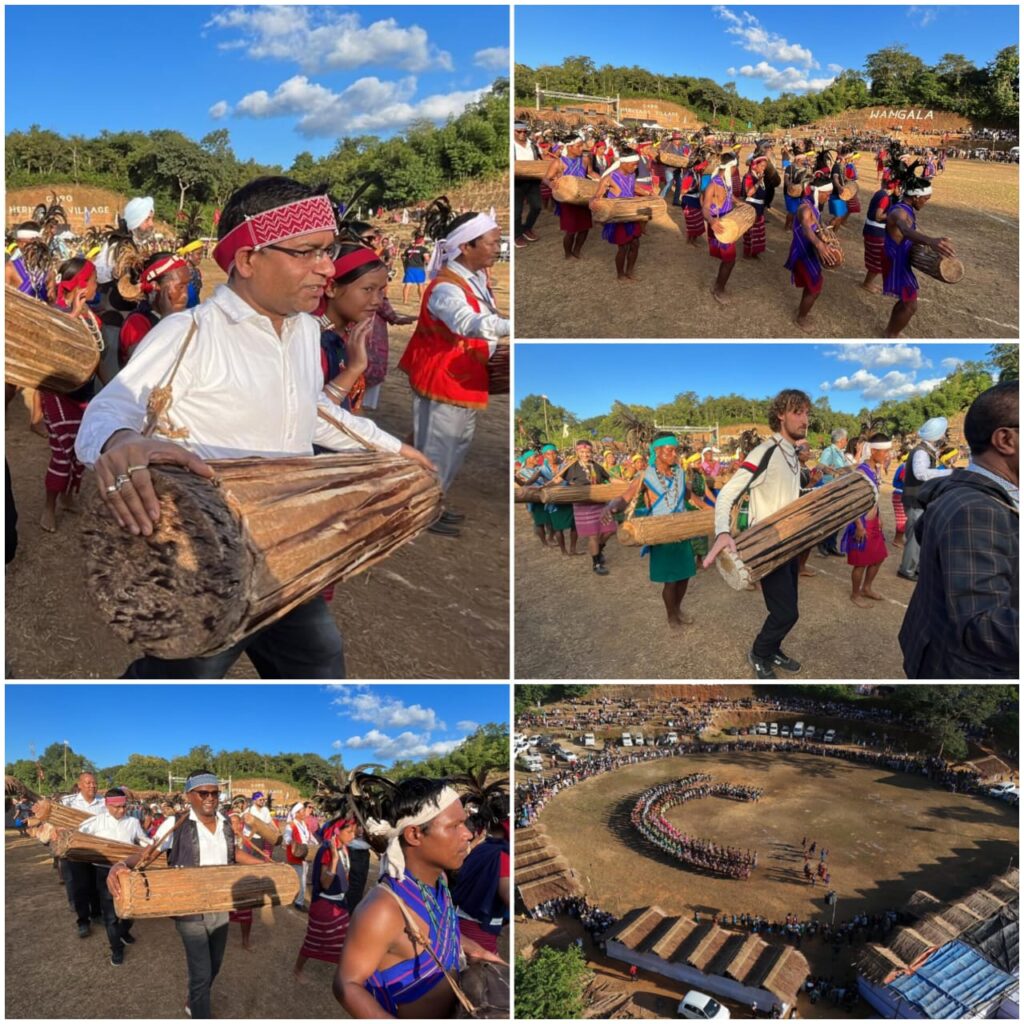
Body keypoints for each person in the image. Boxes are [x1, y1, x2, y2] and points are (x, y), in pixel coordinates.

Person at [75, 176, 431, 679]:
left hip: (286, 552)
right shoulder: (189, 332)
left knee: (319, 664)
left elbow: (310, 410)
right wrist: (123, 441)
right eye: (308, 252)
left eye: (328, 252)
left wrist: (391, 448)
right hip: (205, 558)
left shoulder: (307, 331)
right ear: (247, 260)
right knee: (184, 676)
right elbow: (108, 409)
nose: (326, 269)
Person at [333, 778, 500, 1018]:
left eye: (465, 823)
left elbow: (439, 930)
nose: (468, 834)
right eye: (455, 825)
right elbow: (346, 984)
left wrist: (473, 948)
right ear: (414, 834)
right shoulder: (384, 910)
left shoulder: (438, 880)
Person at [107, 770, 266, 1019]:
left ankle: (193, 998)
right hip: (189, 909)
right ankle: (200, 1011)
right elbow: (150, 852)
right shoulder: (176, 824)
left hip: (220, 905)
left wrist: (264, 866)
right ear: (189, 795)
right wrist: (122, 865)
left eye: (215, 792)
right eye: (203, 793)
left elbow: (234, 854)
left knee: (214, 966)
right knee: (201, 972)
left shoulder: (225, 822)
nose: (210, 798)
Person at [398, 197, 507, 537]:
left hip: (461, 376)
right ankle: (421, 511)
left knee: (454, 445)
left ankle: (432, 503)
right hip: (445, 377)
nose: (497, 247)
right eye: (492, 242)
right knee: (438, 448)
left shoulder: (472, 277)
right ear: (467, 246)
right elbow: (465, 322)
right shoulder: (446, 287)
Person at [899, 383, 1018, 678]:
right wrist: (948, 470)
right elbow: (981, 625)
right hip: (957, 665)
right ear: (1005, 439)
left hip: (938, 649)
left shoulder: (976, 500)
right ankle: (906, 568)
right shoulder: (976, 511)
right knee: (913, 543)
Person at [705, 390, 811, 679]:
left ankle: (773, 648)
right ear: (780, 414)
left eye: (806, 413)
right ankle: (760, 652)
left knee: (788, 608)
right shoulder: (765, 451)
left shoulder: (792, 453)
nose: (804, 419)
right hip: (766, 544)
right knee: (786, 613)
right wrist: (722, 532)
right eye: (797, 412)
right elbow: (727, 493)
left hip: (788, 542)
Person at [606, 433, 697, 627]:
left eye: (675, 450)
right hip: (660, 533)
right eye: (669, 450)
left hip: (682, 530)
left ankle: (678, 609)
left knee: (684, 577)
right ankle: (671, 616)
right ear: (657, 451)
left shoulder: (680, 473)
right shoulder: (645, 476)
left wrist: (711, 510)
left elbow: (690, 497)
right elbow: (625, 497)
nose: (674, 454)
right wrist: (610, 507)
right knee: (670, 580)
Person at [40, 258, 103, 533]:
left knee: (79, 451)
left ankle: (67, 497)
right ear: (81, 285)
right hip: (58, 393)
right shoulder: (56, 313)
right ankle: (48, 508)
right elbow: (51, 348)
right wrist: (74, 314)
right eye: (94, 280)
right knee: (63, 454)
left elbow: (94, 358)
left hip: (83, 392)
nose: (97, 285)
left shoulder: (91, 316)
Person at [78, 786, 152, 964]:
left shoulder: (133, 822)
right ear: (107, 805)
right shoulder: (96, 822)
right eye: (116, 807)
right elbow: (77, 835)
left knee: (131, 909)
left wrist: (154, 845)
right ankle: (116, 949)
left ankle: (124, 931)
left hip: (128, 871)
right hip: (103, 871)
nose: (121, 810)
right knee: (110, 915)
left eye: (124, 806)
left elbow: (143, 840)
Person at [882, 163, 956, 338]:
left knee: (905, 300)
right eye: (925, 199)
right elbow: (906, 231)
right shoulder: (899, 212)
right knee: (910, 305)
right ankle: (891, 335)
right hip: (895, 260)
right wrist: (930, 241)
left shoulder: (906, 208)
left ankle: (890, 331)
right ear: (915, 197)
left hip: (899, 257)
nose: (926, 202)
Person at [295, 816, 359, 979]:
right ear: (337, 831)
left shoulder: (343, 847)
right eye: (349, 831)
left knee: (343, 941)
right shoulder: (327, 851)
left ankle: (344, 975)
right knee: (313, 941)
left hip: (339, 903)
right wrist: (335, 859)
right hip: (325, 905)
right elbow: (325, 882)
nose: (353, 835)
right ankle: (297, 969)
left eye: (354, 831)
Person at [452, 790, 509, 955]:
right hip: (478, 932)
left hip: (461, 920)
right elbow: (506, 895)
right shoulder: (503, 855)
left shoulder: (482, 848)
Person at [897, 416, 952, 581]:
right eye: (943, 433)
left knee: (922, 535)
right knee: (914, 537)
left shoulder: (927, 450)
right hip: (916, 500)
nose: (944, 436)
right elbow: (921, 474)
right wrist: (949, 473)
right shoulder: (921, 451)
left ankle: (917, 567)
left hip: (921, 500)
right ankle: (907, 570)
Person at [841, 434, 892, 607]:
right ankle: (856, 594)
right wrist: (858, 526)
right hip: (861, 523)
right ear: (874, 451)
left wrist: (880, 516)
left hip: (873, 522)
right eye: (885, 452)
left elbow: (874, 497)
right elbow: (852, 501)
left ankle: (867, 588)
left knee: (879, 557)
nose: (888, 455)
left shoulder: (876, 468)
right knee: (860, 563)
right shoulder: (861, 471)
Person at [118, 251, 192, 367]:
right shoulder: (136, 324)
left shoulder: (183, 315)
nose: (185, 294)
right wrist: (168, 319)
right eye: (180, 287)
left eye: (187, 286)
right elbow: (145, 368)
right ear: (155, 286)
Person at [785, 184, 840, 334]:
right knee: (815, 288)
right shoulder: (805, 208)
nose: (828, 198)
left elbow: (814, 226)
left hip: (809, 251)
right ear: (817, 191)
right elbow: (805, 227)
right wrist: (819, 245)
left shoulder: (812, 205)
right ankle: (801, 318)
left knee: (812, 286)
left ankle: (802, 309)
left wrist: (823, 236)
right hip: (803, 253)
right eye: (826, 194)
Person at [591, 151, 651, 281]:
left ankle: (629, 271)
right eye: (633, 164)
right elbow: (596, 196)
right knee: (623, 247)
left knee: (635, 243)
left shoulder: (631, 174)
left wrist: (649, 194)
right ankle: (620, 274)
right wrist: (594, 203)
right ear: (623, 163)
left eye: (637, 164)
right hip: (618, 216)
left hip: (631, 214)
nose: (635, 167)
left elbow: (634, 187)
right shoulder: (609, 178)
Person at [62, 771, 107, 937]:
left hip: (98, 851)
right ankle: (83, 921)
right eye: (88, 783)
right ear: (79, 785)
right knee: (80, 887)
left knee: (97, 885)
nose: (92, 786)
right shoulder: (69, 803)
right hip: (78, 851)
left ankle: (96, 914)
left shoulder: (103, 802)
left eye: (94, 782)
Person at [564, 439, 616, 575]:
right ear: (577, 452)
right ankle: (596, 563)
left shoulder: (597, 466)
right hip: (583, 506)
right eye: (582, 452)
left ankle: (599, 548)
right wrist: (545, 487)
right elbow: (560, 481)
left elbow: (611, 479)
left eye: (588, 452)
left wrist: (629, 483)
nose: (585, 454)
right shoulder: (571, 467)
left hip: (600, 503)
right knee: (593, 535)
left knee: (610, 530)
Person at [544, 136, 594, 260]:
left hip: (583, 198)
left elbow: (591, 173)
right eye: (578, 146)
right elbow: (546, 178)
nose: (582, 148)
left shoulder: (585, 159)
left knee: (585, 228)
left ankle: (577, 250)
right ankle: (568, 253)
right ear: (569, 147)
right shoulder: (559, 162)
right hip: (567, 199)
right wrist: (551, 184)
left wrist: (602, 180)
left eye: (582, 145)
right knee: (571, 230)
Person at [703, 155, 739, 304]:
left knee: (729, 260)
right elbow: (705, 207)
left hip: (728, 222)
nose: (737, 170)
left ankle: (719, 285)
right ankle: (718, 289)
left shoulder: (726, 181)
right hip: (719, 224)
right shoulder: (713, 185)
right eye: (736, 167)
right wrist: (711, 221)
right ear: (731, 167)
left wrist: (739, 202)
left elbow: (730, 196)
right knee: (729, 260)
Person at [815, 429, 850, 555]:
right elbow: (819, 466)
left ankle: (832, 545)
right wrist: (832, 472)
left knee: (838, 518)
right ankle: (823, 544)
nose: (846, 442)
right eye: (846, 439)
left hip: (839, 487)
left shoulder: (840, 453)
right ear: (841, 440)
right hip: (829, 487)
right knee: (829, 518)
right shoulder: (829, 451)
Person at [513, 122, 543, 248]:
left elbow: (539, 161)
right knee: (517, 211)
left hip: (532, 180)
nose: (522, 134)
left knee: (537, 206)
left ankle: (527, 228)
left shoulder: (533, 145)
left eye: (525, 131)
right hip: (517, 182)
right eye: (518, 131)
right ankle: (517, 235)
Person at [287, 802, 314, 912]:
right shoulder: (291, 825)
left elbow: (310, 837)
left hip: (305, 856)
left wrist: (317, 844)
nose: (304, 812)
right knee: (301, 880)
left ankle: (294, 898)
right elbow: (286, 838)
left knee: (301, 878)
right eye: (302, 811)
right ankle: (299, 902)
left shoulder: (304, 824)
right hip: (296, 856)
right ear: (296, 813)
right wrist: (292, 842)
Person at [401, 233, 429, 305]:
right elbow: (427, 258)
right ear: (422, 241)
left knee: (408, 284)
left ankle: (405, 300)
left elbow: (404, 258)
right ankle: (421, 300)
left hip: (409, 268)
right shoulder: (423, 249)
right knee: (420, 284)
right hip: (419, 268)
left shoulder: (408, 249)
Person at [177, 240, 205, 308]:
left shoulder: (196, 271)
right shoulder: (182, 273)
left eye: (202, 254)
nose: (201, 256)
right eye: (198, 254)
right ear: (188, 254)